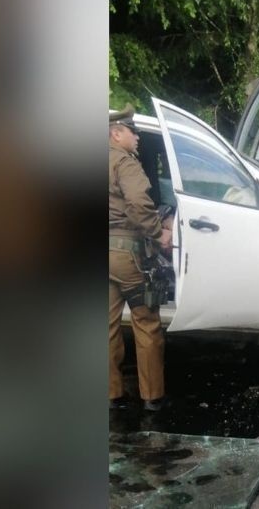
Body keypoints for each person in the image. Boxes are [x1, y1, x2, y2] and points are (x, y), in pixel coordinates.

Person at [108, 104, 172, 411]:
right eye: (133, 132)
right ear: (116, 132)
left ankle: (111, 396)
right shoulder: (124, 163)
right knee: (146, 321)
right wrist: (159, 233)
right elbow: (136, 203)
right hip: (126, 253)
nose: (137, 138)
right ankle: (152, 399)